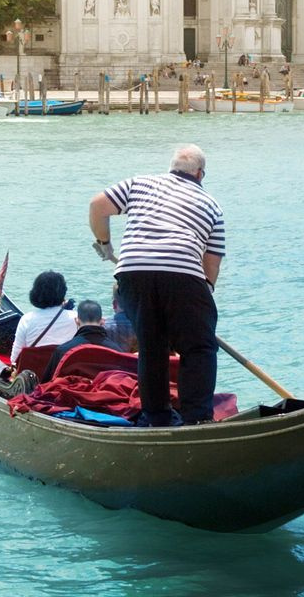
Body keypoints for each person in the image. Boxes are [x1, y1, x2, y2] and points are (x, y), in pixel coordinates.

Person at [89, 144, 225, 427]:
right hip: (183, 275)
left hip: (132, 273)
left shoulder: (139, 183)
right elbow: (211, 261)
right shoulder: (211, 204)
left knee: (152, 348)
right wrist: (205, 293)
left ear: (171, 167)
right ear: (200, 174)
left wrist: (105, 243)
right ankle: (197, 419)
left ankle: (157, 418)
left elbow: (97, 206)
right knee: (199, 347)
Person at [10, 271, 77, 363]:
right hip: (64, 375)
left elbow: (15, 359)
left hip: (33, 375)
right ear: (63, 293)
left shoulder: (27, 319)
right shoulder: (77, 318)